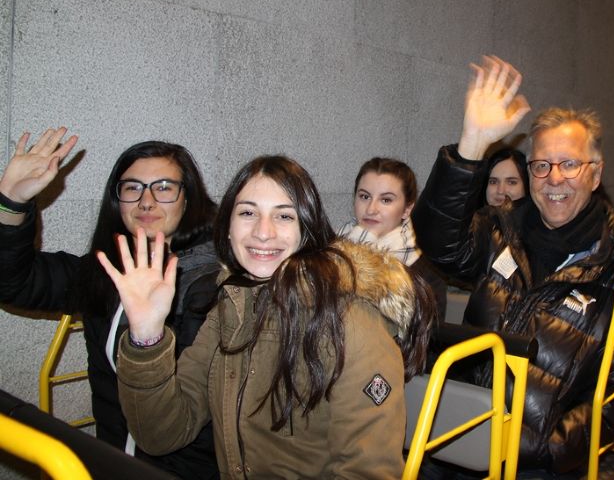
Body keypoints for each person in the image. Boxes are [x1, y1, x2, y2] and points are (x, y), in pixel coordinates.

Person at [102, 155, 436, 479]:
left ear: (306, 230)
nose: (263, 232)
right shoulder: (229, 306)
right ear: (228, 228)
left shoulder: (351, 319)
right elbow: (161, 434)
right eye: (248, 212)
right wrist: (147, 336)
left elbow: (366, 470)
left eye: (284, 216)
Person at [412, 57, 614, 477]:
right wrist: (471, 145)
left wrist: (535, 450)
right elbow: (437, 241)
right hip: (454, 439)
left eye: (570, 164)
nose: (553, 178)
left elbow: (613, 405)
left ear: (595, 175)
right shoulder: (500, 231)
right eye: (541, 165)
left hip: (532, 466)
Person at [0, 129, 220, 478]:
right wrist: (11, 200)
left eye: (164, 188)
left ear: (188, 200)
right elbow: (14, 281)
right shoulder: (106, 271)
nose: (146, 201)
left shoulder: (217, 282)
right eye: (133, 188)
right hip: (111, 459)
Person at [340, 157, 447, 320]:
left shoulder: (426, 275)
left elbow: (425, 338)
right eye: (364, 196)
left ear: (406, 209)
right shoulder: (328, 253)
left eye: (386, 200)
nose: (371, 209)